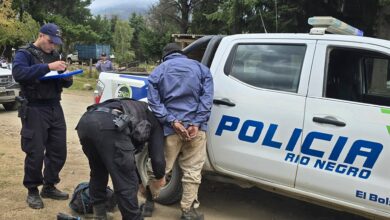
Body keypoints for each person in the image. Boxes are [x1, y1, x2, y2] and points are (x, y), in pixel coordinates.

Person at [147, 43, 214, 220]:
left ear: (165, 56)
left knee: (159, 168)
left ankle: (148, 202)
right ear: (182, 54)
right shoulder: (202, 69)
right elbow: (207, 100)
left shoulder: (159, 70)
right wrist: (196, 123)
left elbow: (154, 102)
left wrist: (172, 121)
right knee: (193, 171)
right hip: (196, 131)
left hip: (170, 130)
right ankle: (188, 211)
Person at [12, 23, 72, 209]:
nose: (53, 46)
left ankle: (49, 185)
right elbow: (19, 73)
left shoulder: (55, 56)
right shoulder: (25, 53)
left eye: (56, 43)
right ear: (41, 35)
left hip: (54, 106)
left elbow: (65, 83)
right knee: (35, 152)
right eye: (50, 41)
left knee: (58, 150)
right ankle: (32, 190)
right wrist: (47, 67)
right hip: (34, 108)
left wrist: (66, 75)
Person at [76, 98, 166, 220]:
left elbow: (129, 157)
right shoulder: (155, 120)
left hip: (86, 122)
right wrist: (160, 176)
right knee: (126, 181)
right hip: (110, 126)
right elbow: (158, 159)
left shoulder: (133, 105)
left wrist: (139, 181)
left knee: (98, 170)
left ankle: (99, 214)